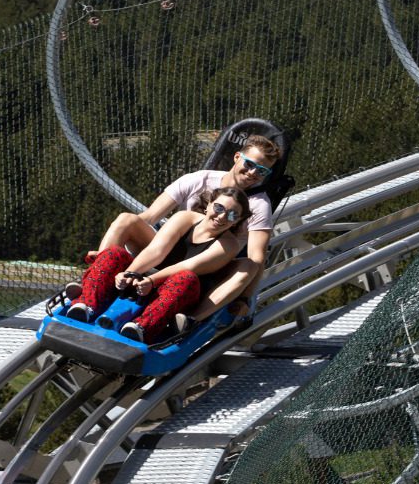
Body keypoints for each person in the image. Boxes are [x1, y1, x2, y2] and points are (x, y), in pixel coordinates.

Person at [86, 134, 281, 324]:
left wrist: (244, 299)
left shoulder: (259, 205)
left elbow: (257, 257)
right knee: (126, 219)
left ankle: (192, 321)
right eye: (250, 164)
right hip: (172, 249)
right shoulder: (199, 180)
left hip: (207, 265)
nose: (253, 173)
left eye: (262, 171)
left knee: (248, 266)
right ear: (237, 157)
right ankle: (95, 279)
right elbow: (149, 217)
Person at [67, 188, 250, 343]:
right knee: (114, 253)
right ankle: (86, 303)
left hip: (179, 290)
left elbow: (188, 266)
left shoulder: (228, 245)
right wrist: (130, 273)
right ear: (209, 204)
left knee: (185, 277)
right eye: (219, 208)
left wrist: (150, 280)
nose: (222, 216)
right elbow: (157, 250)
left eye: (232, 215)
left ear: (237, 221)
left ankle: (141, 327)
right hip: (147, 280)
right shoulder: (185, 218)